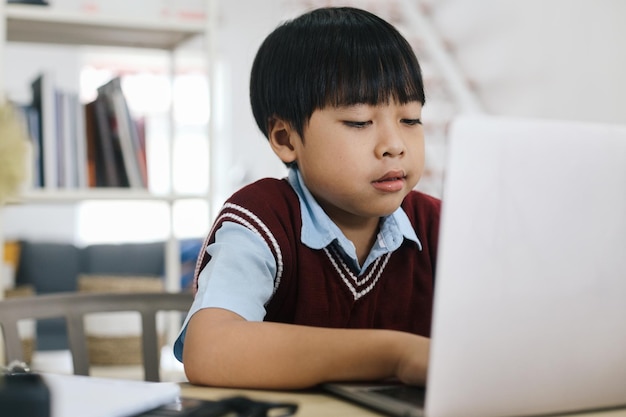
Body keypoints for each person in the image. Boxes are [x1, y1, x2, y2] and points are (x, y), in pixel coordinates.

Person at [174, 6, 441, 390]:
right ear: (286, 139)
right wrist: (395, 354)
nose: (395, 145)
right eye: (359, 121)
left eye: (411, 119)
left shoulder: (438, 226)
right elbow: (211, 349)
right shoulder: (263, 217)